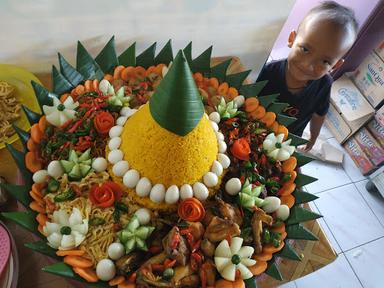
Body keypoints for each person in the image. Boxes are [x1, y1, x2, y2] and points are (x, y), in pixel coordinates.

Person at [257, 1, 358, 151]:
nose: (307, 65)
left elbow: (319, 113)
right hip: (253, 132)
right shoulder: (267, 72)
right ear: (292, 39)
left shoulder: (324, 85)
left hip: (286, 143)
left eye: (325, 61)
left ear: (335, 66)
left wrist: (313, 137)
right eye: (305, 49)